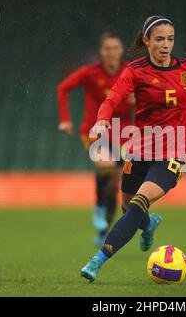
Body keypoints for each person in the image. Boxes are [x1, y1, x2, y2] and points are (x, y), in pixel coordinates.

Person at [81, 15, 186, 282]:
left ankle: (97, 261)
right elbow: (114, 97)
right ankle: (148, 225)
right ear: (146, 41)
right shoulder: (135, 70)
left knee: (138, 203)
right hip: (141, 148)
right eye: (159, 39)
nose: (166, 45)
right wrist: (101, 120)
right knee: (126, 205)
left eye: (170, 39)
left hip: (174, 153)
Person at [57, 32, 134, 247]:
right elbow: (62, 88)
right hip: (95, 131)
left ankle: (104, 229)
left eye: (115, 48)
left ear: (121, 50)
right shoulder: (90, 73)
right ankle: (98, 207)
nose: (111, 52)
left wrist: (140, 98)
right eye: (107, 48)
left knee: (114, 185)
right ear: (101, 51)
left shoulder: (131, 72)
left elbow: (149, 94)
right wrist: (65, 119)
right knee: (106, 166)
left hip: (124, 132)